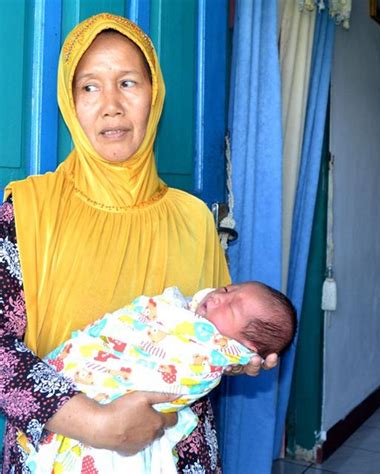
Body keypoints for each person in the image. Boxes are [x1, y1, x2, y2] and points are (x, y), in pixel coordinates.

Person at [0, 13, 278, 473]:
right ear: (69, 102)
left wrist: (232, 356)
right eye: (89, 87)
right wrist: (95, 423)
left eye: (128, 83)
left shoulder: (193, 218)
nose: (111, 105)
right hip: (58, 455)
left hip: (176, 456)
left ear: (155, 95)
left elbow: (200, 337)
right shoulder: (27, 209)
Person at [24, 282, 297, 473]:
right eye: (226, 290)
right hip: (59, 405)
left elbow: (187, 363)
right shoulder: (30, 214)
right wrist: (93, 421)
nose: (216, 297)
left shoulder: (195, 219)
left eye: (231, 307)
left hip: (162, 439)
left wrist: (226, 356)